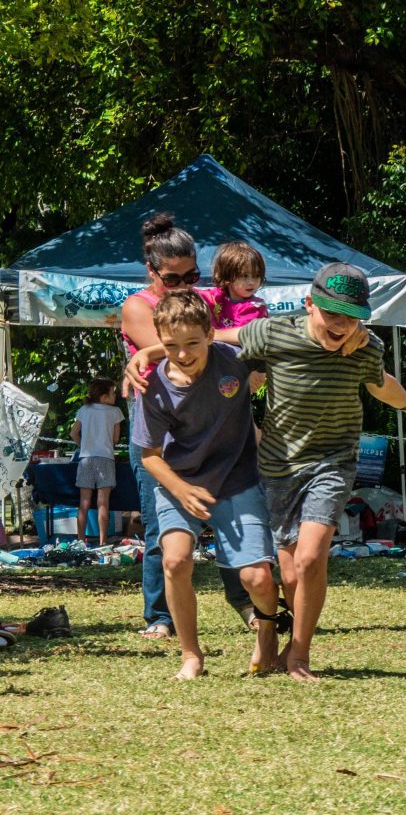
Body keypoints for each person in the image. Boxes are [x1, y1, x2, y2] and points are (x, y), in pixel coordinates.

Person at [129, 261, 406, 680]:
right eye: (332, 313)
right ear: (309, 304)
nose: (341, 325)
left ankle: (299, 655)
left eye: (352, 317)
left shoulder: (364, 347)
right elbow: (219, 337)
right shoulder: (273, 333)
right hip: (277, 467)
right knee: (289, 574)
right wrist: (153, 350)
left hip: (331, 461)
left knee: (311, 558)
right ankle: (248, 642)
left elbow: (378, 380)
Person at [132, 291, 282, 679]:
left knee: (258, 578)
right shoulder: (153, 386)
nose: (182, 355)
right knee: (175, 559)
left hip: (237, 478)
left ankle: (267, 634)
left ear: (211, 334)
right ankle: (191, 655)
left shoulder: (234, 360)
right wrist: (182, 491)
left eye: (192, 343)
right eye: (170, 346)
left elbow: (274, 338)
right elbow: (149, 455)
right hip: (178, 482)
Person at [118, 211, 201, 639]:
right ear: (150, 271)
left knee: (224, 518)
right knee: (158, 525)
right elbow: (175, 352)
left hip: (200, 421)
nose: (185, 286)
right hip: (153, 424)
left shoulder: (200, 302)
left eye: (192, 275)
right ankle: (160, 616)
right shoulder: (137, 306)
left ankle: (247, 604)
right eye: (173, 279)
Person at [74, 381, 119, 549]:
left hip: (85, 459)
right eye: (113, 392)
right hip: (106, 459)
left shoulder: (84, 410)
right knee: (103, 503)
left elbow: (73, 432)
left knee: (84, 503)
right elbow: (115, 439)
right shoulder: (115, 412)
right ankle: (103, 541)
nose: (115, 396)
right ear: (103, 396)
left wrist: (83, 445)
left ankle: (80, 541)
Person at [207, 242, 268, 331]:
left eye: (257, 275)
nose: (251, 282)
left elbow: (240, 336)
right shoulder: (221, 295)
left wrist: (213, 335)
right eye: (244, 276)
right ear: (227, 276)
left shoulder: (254, 308)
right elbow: (201, 295)